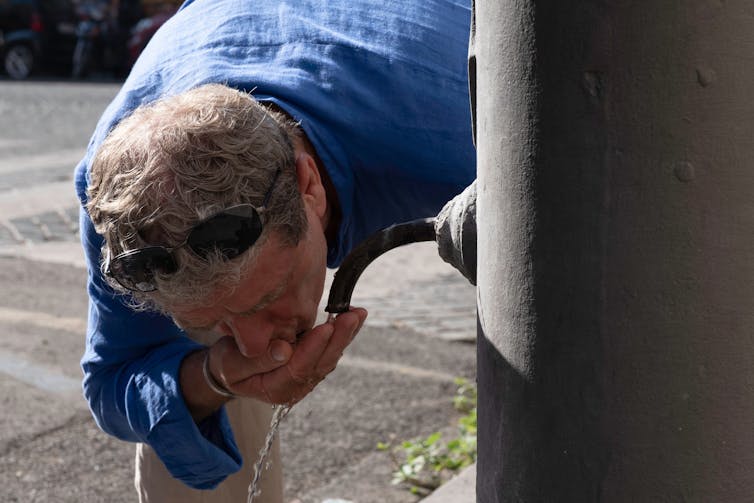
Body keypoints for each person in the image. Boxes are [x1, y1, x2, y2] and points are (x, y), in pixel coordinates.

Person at [74, 0, 476, 501]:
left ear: (309, 185)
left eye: (265, 301)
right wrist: (218, 375)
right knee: (185, 363)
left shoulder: (464, 131)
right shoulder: (119, 200)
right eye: (214, 322)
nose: (255, 348)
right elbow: (113, 380)